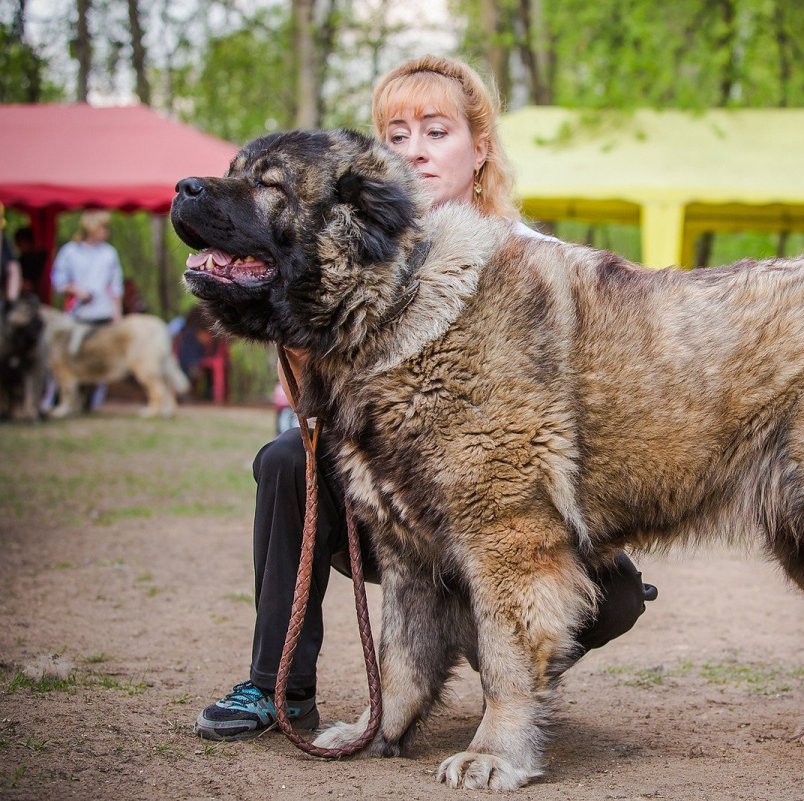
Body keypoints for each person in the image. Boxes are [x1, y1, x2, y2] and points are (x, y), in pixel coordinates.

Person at [195, 55, 657, 742]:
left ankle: (505, 653)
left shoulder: (534, 258)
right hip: (392, 499)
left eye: (436, 131)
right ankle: (276, 684)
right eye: (396, 133)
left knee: (613, 597)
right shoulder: (344, 249)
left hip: (509, 497)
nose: (414, 149)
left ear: (481, 150)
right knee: (288, 459)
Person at [48, 210, 124, 410]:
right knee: (68, 357)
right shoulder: (70, 251)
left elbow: (115, 287)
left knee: (100, 358)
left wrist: (117, 316)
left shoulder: (109, 253)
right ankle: (60, 400)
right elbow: (58, 280)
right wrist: (76, 291)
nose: (106, 232)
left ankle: (92, 403)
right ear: (91, 228)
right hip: (77, 314)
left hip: (103, 314)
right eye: (102, 227)